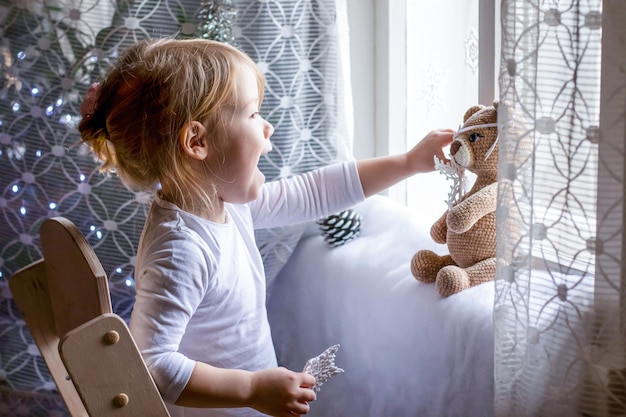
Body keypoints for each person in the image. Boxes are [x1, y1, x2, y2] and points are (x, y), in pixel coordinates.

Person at [78, 37, 453, 417]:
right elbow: (152, 364)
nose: (267, 127)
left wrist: (409, 162)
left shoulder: (224, 206)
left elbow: (315, 191)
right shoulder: (181, 249)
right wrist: (252, 388)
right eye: (253, 114)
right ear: (197, 141)